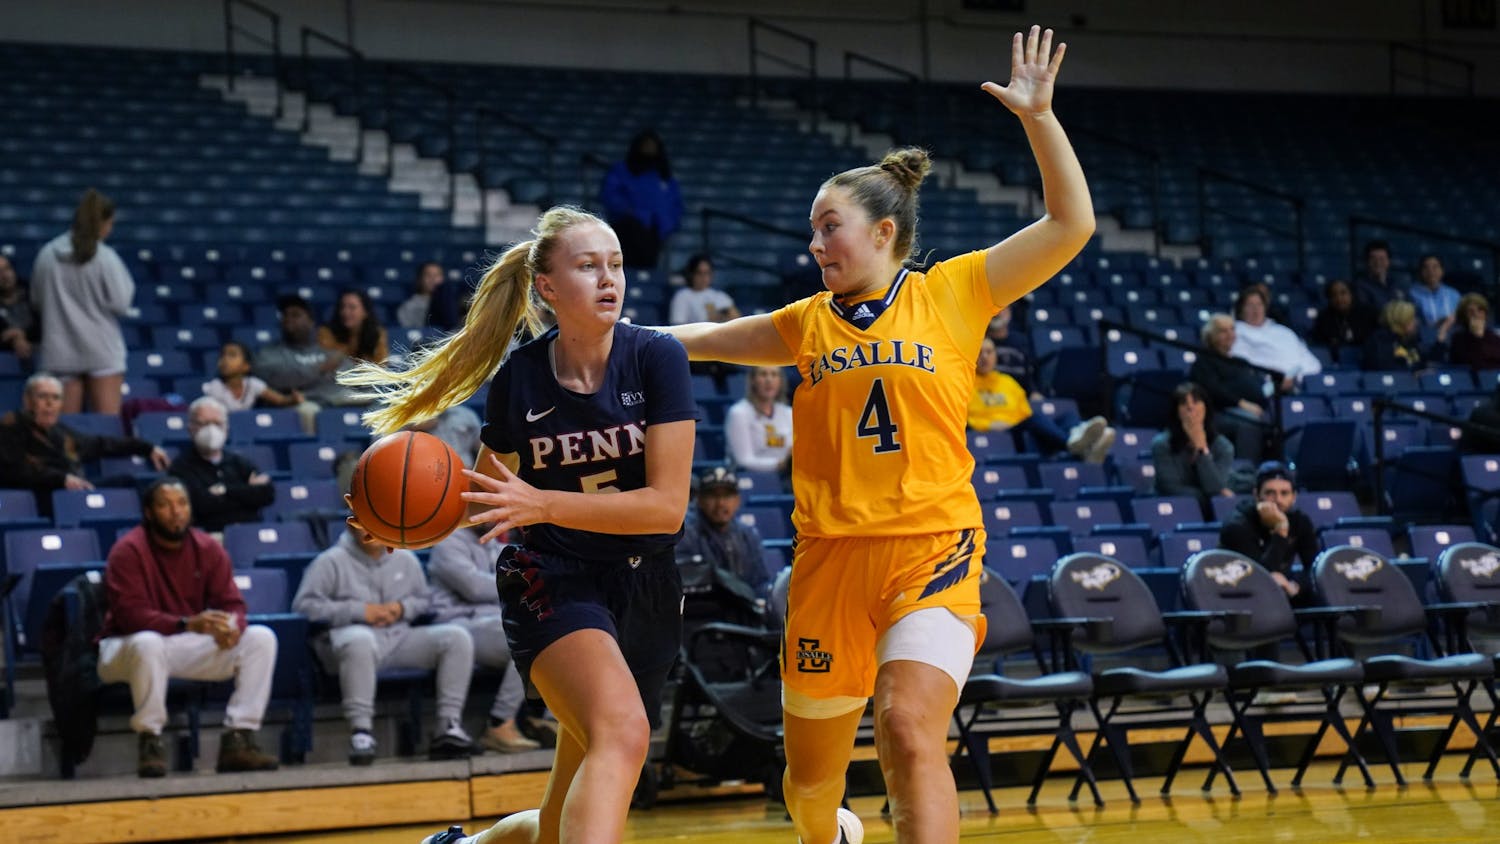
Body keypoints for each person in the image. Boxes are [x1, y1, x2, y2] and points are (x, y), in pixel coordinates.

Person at [658, 27, 1094, 844]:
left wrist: (1039, 118)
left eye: (829, 227)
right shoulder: (803, 323)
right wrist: (603, 336)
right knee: (810, 787)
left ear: (883, 232)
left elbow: (1070, 225)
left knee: (904, 726)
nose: (814, 243)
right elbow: (694, 343)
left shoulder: (955, 291)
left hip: (933, 547)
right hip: (828, 563)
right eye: (813, 230)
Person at [337, 205, 697, 844]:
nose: (609, 278)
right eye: (589, 267)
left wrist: (545, 502)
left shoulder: (657, 358)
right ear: (549, 289)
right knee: (623, 735)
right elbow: (484, 497)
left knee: (578, 788)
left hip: (647, 583)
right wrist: (393, 517)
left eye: (614, 265)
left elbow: (665, 507)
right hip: (552, 579)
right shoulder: (520, 379)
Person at [96, 477, 281, 777]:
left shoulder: (207, 547)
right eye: (165, 505)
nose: (176, 511)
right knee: (147, 643)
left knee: (261, 638)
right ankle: (150, 739)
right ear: (148, 512)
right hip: (122, 648)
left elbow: (233, 602)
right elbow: (130, 616)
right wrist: (185, 623)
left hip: (179, 642)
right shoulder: (127, 550)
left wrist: (231, 627)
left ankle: (239, 738)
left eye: (182, 504)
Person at [292, 526, 480, 764]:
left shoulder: (405, 558)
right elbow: (304, 607)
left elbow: (425, 600)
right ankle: (361, 732)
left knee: (456, 637)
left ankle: (448, 726)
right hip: (345, 643)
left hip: (398, 638)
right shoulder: (330, 561)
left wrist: (402, 608)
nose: (368, 530)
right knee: (360, 639)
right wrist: (359, 611)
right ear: (351, 525)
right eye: (362, 523)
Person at [427, 524, 543, 754]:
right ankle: (501, 723)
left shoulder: (494, 544)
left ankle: (547, 717)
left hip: (491, 624)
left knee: (548, 633)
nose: (495, 511)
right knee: (528, 634)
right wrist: (520, 585)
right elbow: (474, 588)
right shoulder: (448, 541)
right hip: (458, 627)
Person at [0, 373, 170, 515]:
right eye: (42, 396)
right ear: (27, 400)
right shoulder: (10, 426)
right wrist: (61, 479)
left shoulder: (61, 432)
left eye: (55, 398)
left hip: (76, 492)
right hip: (41, 496)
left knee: (129, 482)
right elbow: (17, 469)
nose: (49, 404)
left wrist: (146, 447)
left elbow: (100, 444)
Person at [29, 188, 135, 415]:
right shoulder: (106, 258)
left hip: (60, 352)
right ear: (103, 223)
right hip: (102, 351)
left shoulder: (46, 254)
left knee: (65, 436)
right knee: (106, 432)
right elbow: (122, 304)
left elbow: (37, 301)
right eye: (111, 224)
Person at [970, 336, 1114, 462]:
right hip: (1003, 433)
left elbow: (1025, 411)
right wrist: (987, 425)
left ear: (996, 355)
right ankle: (1075, 444)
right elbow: (963, 418)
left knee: (1068, 416)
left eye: (989, 352)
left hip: (1020, 425)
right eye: (980, 352)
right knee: (1036, 418)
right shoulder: (966, 383)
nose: (985, 356)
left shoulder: (1008, 382)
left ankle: (1081, 443)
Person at [167, 396, 274, 535]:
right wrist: (246, 492)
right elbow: (201, 504)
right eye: (204, 423)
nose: (211, 429)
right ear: (190, 428)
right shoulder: (180, 467)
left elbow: (266, 494)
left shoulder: (239, 461)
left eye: (217, 423)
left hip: (251, 532)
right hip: (211, 536)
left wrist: (224, 491)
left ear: (226, 428)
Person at [1217, 461, 1317, 606]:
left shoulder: (1300, 521)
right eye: (1270, 493)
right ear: (1256, 495)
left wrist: (1295, 586)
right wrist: (1280, 530)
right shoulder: (1237, 525)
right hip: (1240, 597)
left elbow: (1314, 568)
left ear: (1294, 497)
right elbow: (1258, 578)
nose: (1278, 500)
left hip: (1282, 593)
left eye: (1285, 493)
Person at [256, 294, 359, 431]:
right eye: (285, 315)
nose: (288, 319)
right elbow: (278, 379)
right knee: (307, 411)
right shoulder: (269, 354)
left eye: (296, 315)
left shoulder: (329, 354)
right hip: (303, 404)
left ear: (311, 321)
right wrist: (321, 369)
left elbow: (355, 378)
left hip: (339, 401)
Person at [677, 466, 774, 603]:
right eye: (713, 495)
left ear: (737, 500)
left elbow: (760, 582)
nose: (721, 503)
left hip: (743, 612)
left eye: (727, 495)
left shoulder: (748, 534)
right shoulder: (686, 533)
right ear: (699, 500)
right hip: (701, 611)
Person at [599, 128, 684, 270]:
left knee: (649, 272)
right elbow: (610, 195)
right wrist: (632, 213)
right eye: (646, 146)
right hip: (627, 230)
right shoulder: (621, 170)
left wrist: (666, 224)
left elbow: (676, 206)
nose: (649, 149)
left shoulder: (665, 177)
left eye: (652, 146)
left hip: (656, 234)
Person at [1189, 314, 1269, 462]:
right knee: (1249, 421)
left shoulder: (1241, 362)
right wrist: (1242, 403)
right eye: (1223, 331)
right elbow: (1213, 391)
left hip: (1250, 409)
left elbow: (1258, 388)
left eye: (1232, 330)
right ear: (1211, 336)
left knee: (1280, 418)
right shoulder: (1204, 361)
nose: (1230, 334)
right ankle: (1245, 470)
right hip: (1218, 414)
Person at [1151, 382, 1234, 504]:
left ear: (1205, 408)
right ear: (1177, 412)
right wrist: (1207, 496)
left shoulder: (1223, 446)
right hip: (1174, 507)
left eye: (1196, 401)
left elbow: (1215, 487)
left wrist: (1202, 450)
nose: (1190, 407)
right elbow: (1170, 488)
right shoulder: (1161, 444)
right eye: (1184, 403)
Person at [1231, 286, 1321, 391]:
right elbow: (1240, 363)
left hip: (1296, 385)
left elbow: (1313, 364)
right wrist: (1279, 379)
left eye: (1259, 304)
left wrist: (1295, 377)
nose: (1255, 309)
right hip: (1262, 387)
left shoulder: (1284, 332)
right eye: (1250, 305)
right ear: (1241, 309)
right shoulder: (1234, 332)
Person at [725, 365, 794, 474]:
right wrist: (780, 464)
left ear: (781, 381)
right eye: (763, 374)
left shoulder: (789, 413)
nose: (769, 380)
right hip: (751, 478)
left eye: (774, 375)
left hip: (786, 477)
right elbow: (743, 461)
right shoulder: (739, 413)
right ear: (753, 380)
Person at [202, 340, 303, 412]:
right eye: (222, 355)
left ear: (246, 366)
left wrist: (292, 399)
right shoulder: (214, 387)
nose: (225, 360)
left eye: (232, 355)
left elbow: (280, 400)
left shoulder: (253, 384)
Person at [1309, 278, 1377, 359]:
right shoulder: (1323, 319)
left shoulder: (1368, 313)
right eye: (1334, 295)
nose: (1339, 298)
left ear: (1352, 294)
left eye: (1343, 293)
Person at [319, 288, 389, 365]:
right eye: (342, 307)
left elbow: (381, 366)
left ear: (365, 312)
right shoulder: (326, 332)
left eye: (352, 307)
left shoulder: (377, 333)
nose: (345, 312)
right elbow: (327, 365)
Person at [1362, 299, 1436, 373]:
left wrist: (1440, 339)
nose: (1416, 322)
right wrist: (1413, 375)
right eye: (1411, 319)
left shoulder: (1410, 339)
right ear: (1400, 320)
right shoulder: (1380, 341)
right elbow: (1385, 370)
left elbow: (1423, 363)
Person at [668, 254, 740, 325]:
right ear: (691, 274)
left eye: (707, 273)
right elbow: (678, 325)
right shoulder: (682, 296)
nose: (704, 278)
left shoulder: (719, 295)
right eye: (699, 273)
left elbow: (736, 319)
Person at [1408, 254, 1460, 333]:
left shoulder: (1453, 295)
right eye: (1426, 267)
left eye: (1435, 267)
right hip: (1424, 340)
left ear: (1442, 271)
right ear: (1420, 272)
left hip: (1452, 339)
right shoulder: (1412, 295)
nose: (1431, 271)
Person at [1448, 293, 1500, 370]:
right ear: (1464, 315)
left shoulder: (1494, 338)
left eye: (1480, 310)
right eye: (1471, 311)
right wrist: (1477, 336)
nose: (1476, 314)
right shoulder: (1458, 339)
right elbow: (1475, 364)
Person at [0, 254, 35, 360]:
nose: (5, 275)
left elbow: (46, 328)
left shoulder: (32, 292)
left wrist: (21, 334)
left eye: (7, 268)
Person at [1352, 239, 1404, 311]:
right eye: (1373, 259)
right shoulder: (1360, 287)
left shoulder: (1397, 284)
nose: (1378, 263)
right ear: (1366, 262)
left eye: (1382, 259)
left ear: (1388, 262)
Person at [398, 261, 445, 329]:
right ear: (420, 279)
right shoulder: (408, 306)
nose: (433, 279)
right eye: (428, 275)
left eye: (437, 275)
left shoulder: (452, 305)